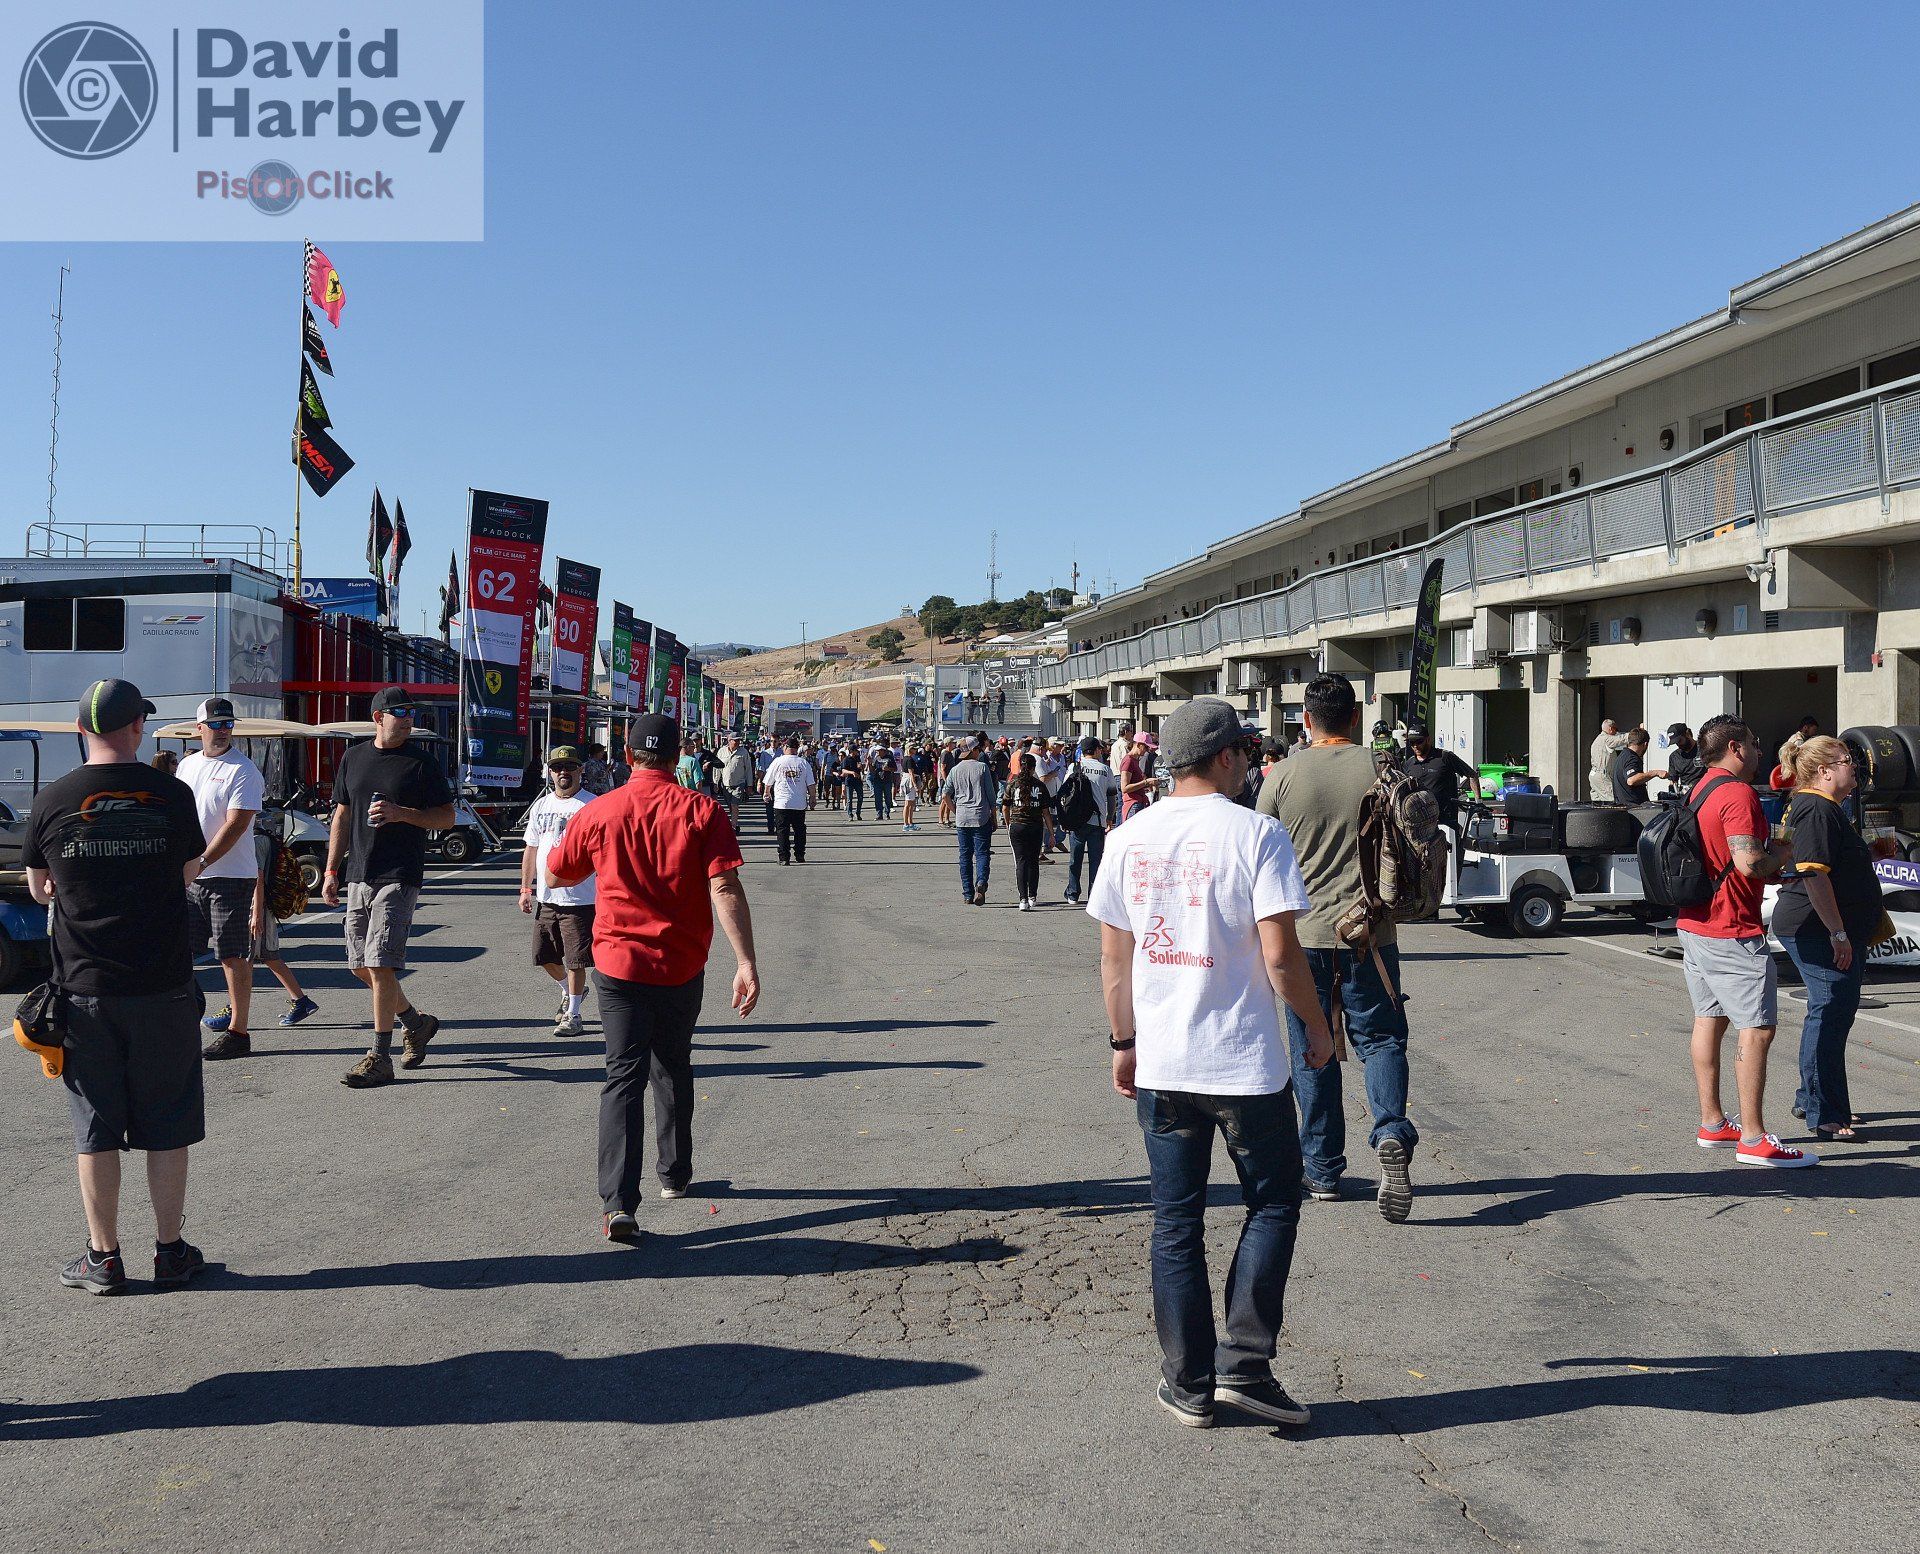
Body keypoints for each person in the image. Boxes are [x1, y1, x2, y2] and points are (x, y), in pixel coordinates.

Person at [1089, 697, 1334, 1430]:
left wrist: (1123, 1041)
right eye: (1247, 754)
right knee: (1274, 1202)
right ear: (1225, 757)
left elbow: (1113, 956)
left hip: (1164, 1062)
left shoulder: (1129, 837)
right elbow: (1282, 954)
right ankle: (1246, 1366)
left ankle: (1188, 1384)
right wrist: (1318, 1032)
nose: (1252, 765)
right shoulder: (1256, 834)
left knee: (1175, 1223)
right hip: (1244, 1065)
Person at [22, 679, 210, 1295]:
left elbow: (39, 889)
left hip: (83, 989)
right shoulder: (173, 794)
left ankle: (103, 1258)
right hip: (164, 986)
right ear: (135, 729)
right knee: (168, 1120)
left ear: (81, 731)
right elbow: (189, 870)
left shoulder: (52, 799)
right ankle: (170, 1250)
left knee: (95, 1125)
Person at [545, 713, 760, 1240]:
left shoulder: (601, 810)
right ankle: (675, 1174)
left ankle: (619, 1203)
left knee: (623, 1076)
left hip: (618, 964)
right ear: (678, 754)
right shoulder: (702, 809)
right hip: (680, 963)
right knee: (673, 1063)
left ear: (627, 752)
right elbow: (725, 888)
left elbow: (558, 871)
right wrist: (746, 962)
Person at [1258, 673, 1419, 1220]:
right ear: (1355, 718)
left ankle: (1323, 1170)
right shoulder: (1382, 769)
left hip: (1302, 937)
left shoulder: (1281, 776)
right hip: (1371, 933)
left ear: (1305, 720)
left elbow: (1258, 860)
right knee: (1380, 1039)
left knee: (1312, 1046)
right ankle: (1391, 1133)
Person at [1677, 715, 1813, 1167]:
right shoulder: (1737, 793)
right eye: (1754, 745)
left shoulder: (1702, 786)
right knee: (1756, 1029)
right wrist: (1784, 852)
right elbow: (1750, 863)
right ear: (1735, 748)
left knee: (1708, 1019)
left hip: (1694, 921)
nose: (1759, 753)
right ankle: (1753, 1138)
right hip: (1730, 927)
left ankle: (1712, 1123)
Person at [322, 686, 456, 1089]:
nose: (409, 718)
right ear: (379, 717)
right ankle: (416, 1023)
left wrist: (402, 814)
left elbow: (447, 818)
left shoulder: (422, 763)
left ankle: (379, 1056)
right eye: (401, 711)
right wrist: (331, 871)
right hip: (359, 874)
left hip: (400, 874)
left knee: (380, 964)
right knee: (360, 966)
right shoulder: (354, 757)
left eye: (412, 711)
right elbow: (342, 816)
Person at [1774, 736, 1892, 1142]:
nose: (1853, 767)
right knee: (1829, 1015)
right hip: (1816, 929)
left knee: (1830, 1014)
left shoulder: (1826, 809)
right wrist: (1837, 932)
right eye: (1846, 761)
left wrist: (1869, 853)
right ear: (1823, 771)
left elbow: (1832, 863)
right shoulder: (1818, 809)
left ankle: (1813, 1098)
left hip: (1826, 928)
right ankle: (1824, 1111)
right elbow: (1812, 873)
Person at [178, 697, 269, 1061]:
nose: (223, 730)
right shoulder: (186, 766)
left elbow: (236, 824)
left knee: (231, 954)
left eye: (228, 723)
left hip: (229, 875)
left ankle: (238, 1031)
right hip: (191, 874)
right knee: (178, 952)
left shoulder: (243, 770)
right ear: (198, 727)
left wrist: (200, 862)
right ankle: (181, 1019)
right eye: (215, 724)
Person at [520, 747, 597, 1038]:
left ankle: (573, 1015)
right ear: (550, 772)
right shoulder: (541, 806)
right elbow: (531, 849)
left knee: (575, 959)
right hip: (547, 898)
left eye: (570, 766)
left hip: (580, 898)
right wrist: (526, 888)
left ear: (580, 771)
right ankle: (570, 991)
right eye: (557, 767)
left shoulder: (592, 805)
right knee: (544, 956)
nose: (563, 772)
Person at [938, 736, 998, 905]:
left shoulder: (955, 769)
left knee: (965, 856)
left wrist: (955, 810)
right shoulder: (982, 768)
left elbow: (945, 794)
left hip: (962, 817)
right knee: (982, 853)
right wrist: (994, 816)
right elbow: (991, 795)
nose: (979, 752)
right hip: (981, 816)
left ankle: (967, 893)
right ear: (973, 751)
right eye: (978, 749)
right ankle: (981, 883)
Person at [1061, 736, 1118, 906]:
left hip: (1077, 821)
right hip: (1097, 820)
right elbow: (1112, 797)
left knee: (1075, 859)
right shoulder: (1105, 769)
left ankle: (1073, 893)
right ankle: (1094, 894)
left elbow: (1065, 793)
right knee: (1096, 860)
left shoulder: (1074, 767)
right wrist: (1109, 817)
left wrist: (1065, 819)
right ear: (1096, 750)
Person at [1397, 723, 1481, 833]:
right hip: (1420, 823)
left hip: (1446, 821)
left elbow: (1472, 775)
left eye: (1419, 741)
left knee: (1453, 849)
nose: (1415, 746)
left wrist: (1478, 802)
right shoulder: (1409, 764)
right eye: (1412, 743)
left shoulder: (1444, 757)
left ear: (1428, 740)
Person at [1001, 751, 1053, 912]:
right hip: (1035, 826)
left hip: (1017, 826)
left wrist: (1009, 823)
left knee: (1021, 862)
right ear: (1033, 768)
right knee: (1033, 862)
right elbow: (1046, 812)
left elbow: (1004, 807)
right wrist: (1051, 833)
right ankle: (1032, 896)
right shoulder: (1039, 786)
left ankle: (1022, 899)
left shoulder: (1013, 784)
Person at [763, 737, 815, 865]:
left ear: (785, 747)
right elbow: (811, 783)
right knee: (800, 830)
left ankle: (784, 857)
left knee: (782, 830)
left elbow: (768, 781)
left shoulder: (778, 761)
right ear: (797, 748)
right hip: (799, 803)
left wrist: (766, 793)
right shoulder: (803, 763)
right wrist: (812, 798)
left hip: (782, 802)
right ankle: (800, 855)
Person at [1609, 728, 1657, 804]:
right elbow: (1631, 780)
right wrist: (1655, 773)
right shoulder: (1631, 758)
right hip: (1634, 810)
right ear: (1645, 744)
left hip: (1623, 807)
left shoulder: (1622, 756)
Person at [718, 735, 755, 833]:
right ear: (729, 741)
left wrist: (750, 785)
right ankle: (735, 823)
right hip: (726, 784)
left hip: (739, 783)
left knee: (734, 805)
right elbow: (717, 768)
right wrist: (715, 781)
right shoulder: (721, 751)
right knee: (730, 805)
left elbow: (748, 769)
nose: (738, 742)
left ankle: (733, 827)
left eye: (739, 740)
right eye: (736, 740)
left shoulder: (743, 752)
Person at [1588, 718, 1630, 803]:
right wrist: (1637, 733)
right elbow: (1621, 739)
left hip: (1593, 775)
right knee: (1612, 800)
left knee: (1597, 802)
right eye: (1616, 729)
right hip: (1602, 776)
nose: (1616, 732)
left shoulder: (1597, 739)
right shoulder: (1607, 739)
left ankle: (1597, 816)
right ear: (1611, 729)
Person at [1663, 723, 1707, 793]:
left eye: (1679, 741)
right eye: (1675, 743)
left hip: (1704, 792)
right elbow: (1673, 781)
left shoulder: (1704, 750)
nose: (1678, 745)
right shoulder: (1674, 756)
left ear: (1687, 734)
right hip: (1685, 795)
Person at [869, 741, 897, 823]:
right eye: (876, 751)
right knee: (878, 798)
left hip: (887, 780)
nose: (877, 752)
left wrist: (888, 769)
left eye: (878, 750)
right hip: (877, 780)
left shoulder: (889, 758)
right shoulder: (876, 758)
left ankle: (887, 813)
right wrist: (870, 764)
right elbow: (872, 770)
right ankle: (879, 814)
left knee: (888, 798)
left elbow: (895, 769)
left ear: (883, 750)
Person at [837, 743, 865, 819]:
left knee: (860, 797)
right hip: (849, 781)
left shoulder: (857, 758)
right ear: (851, 751)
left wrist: (861, 767)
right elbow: (843, 770)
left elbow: (860, 767)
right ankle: (850, 814)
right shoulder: (846, 759)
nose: (857, 752)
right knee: (849, 799)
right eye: (856, 750)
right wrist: (852, 772)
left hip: (858, 780)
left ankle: (858, 813)